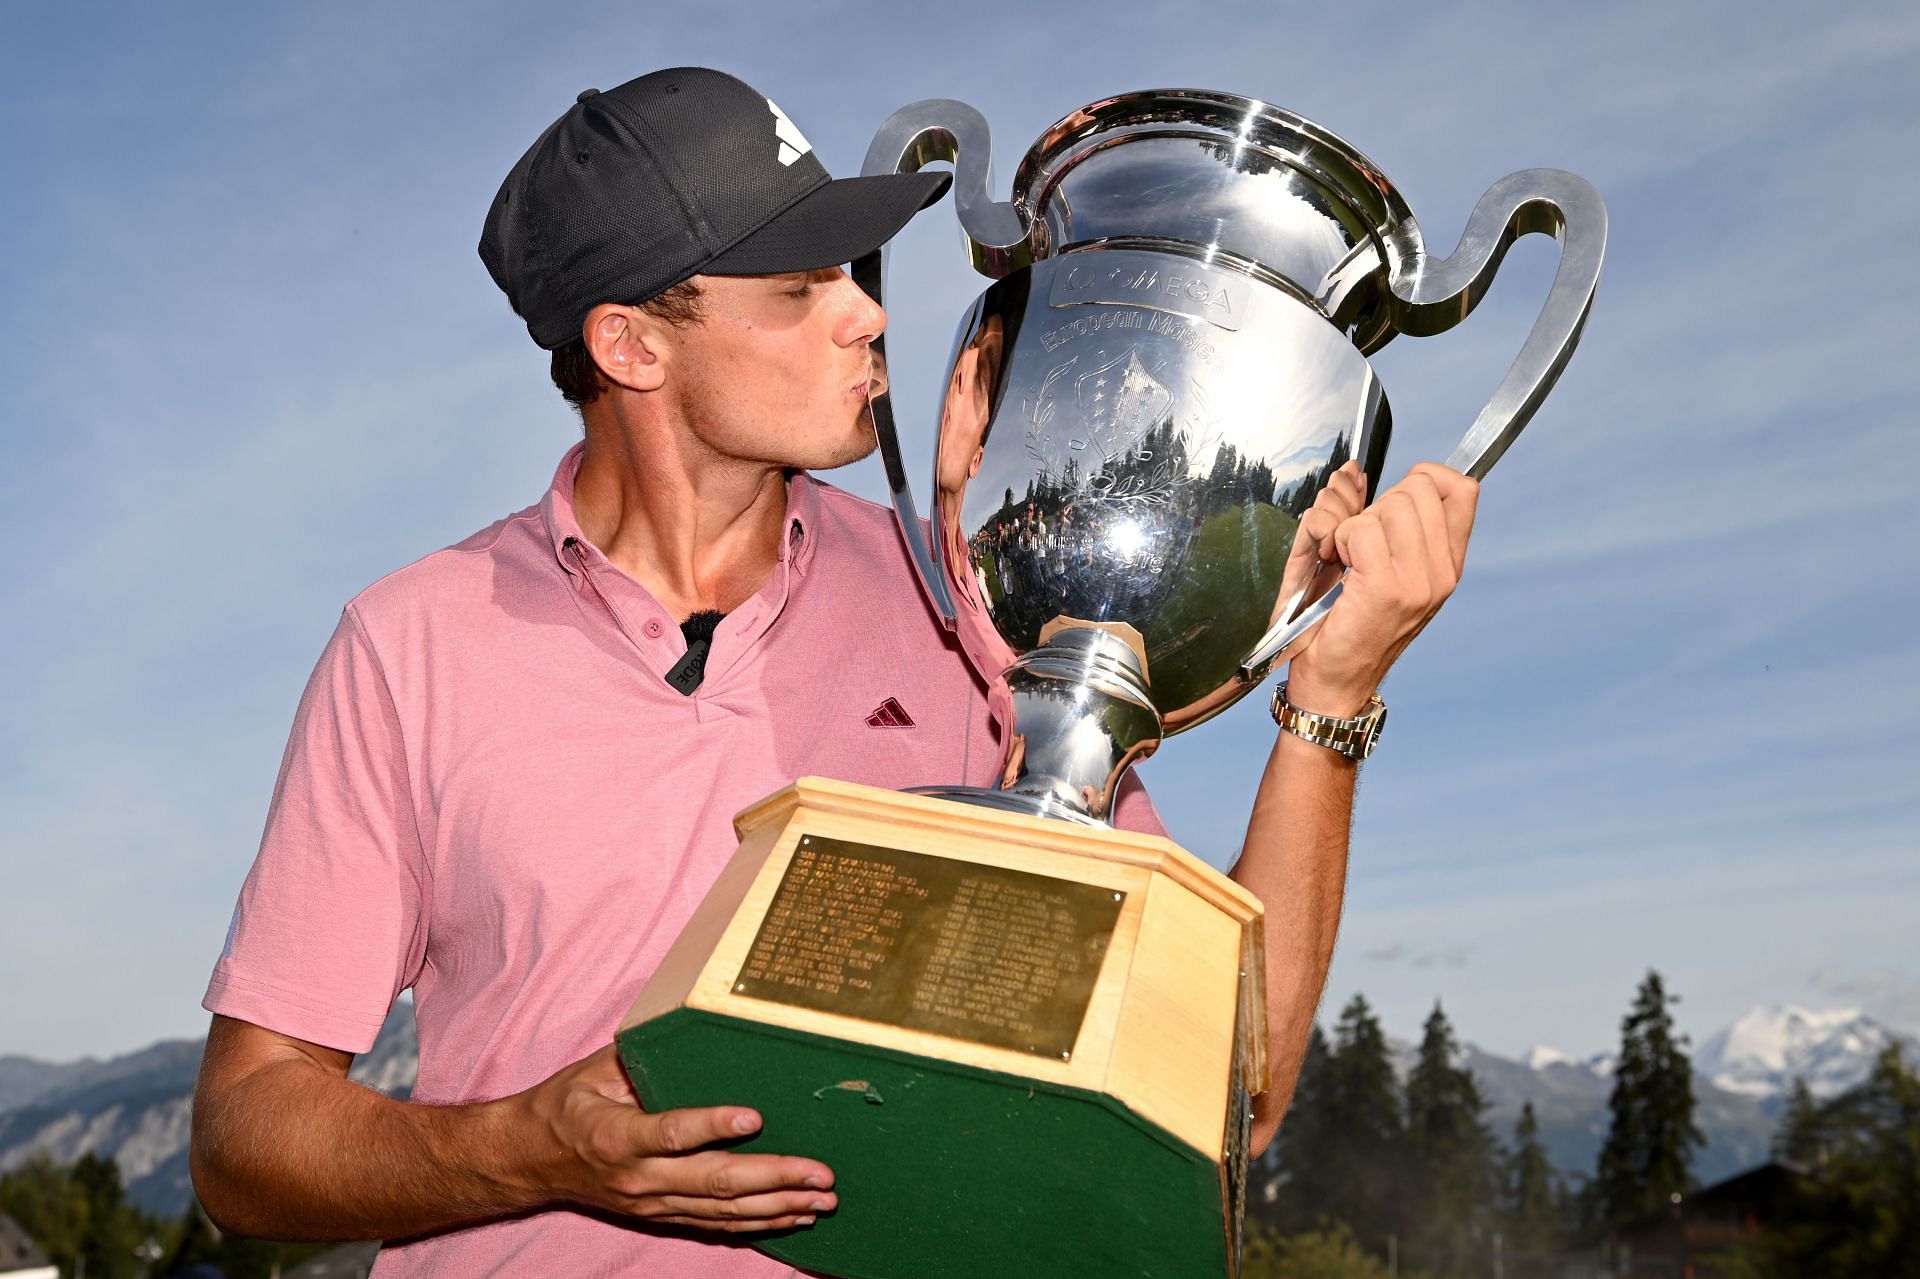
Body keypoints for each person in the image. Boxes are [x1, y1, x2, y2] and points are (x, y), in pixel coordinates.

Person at [189, 68, 1478, 1277]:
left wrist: (1333, 697)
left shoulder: (972, 596)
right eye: (799, 287)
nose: (869, 316)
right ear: (633, 345)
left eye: (855, 274)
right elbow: (245, 1143)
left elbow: (1235, 1096)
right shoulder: (411, 644)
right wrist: (523, 1149)